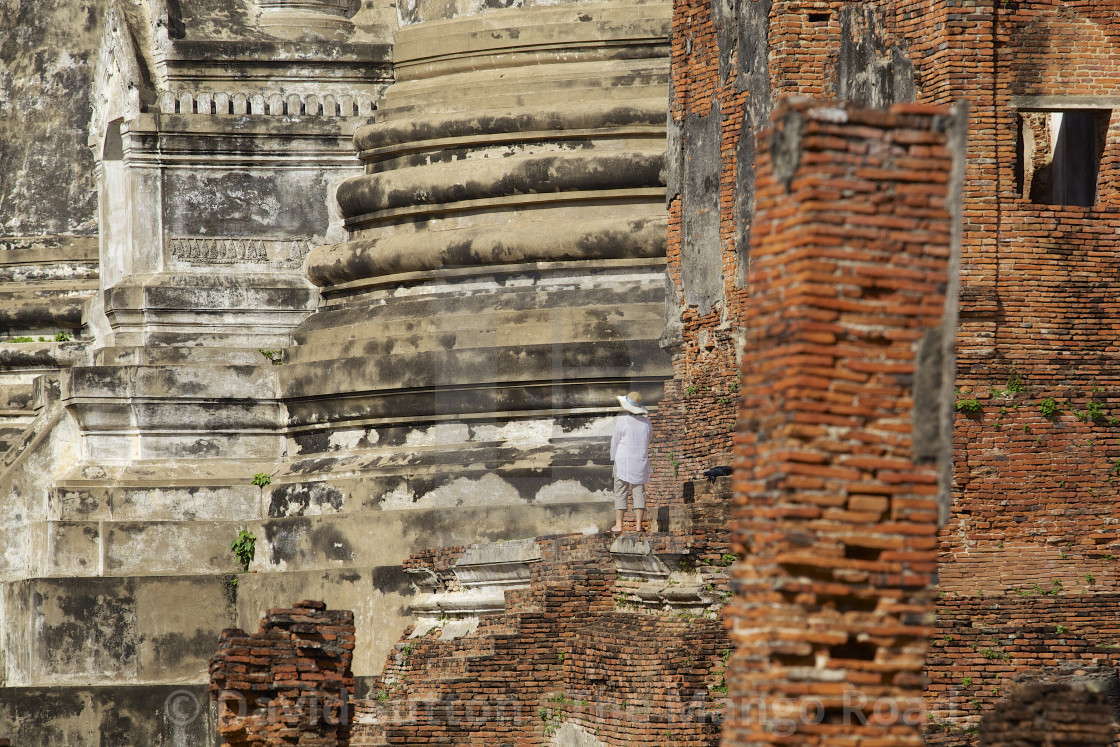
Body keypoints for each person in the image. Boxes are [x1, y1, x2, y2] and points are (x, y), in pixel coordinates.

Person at [610, 391, 652, 533]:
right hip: (639, 461)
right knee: (639, 492)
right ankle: (639, 525)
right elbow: (648, 442)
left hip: (623, 460)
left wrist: (613, 457)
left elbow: (615, 441)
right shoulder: (647, 423)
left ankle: (619, 524)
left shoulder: (622, 420)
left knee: (620, 492)